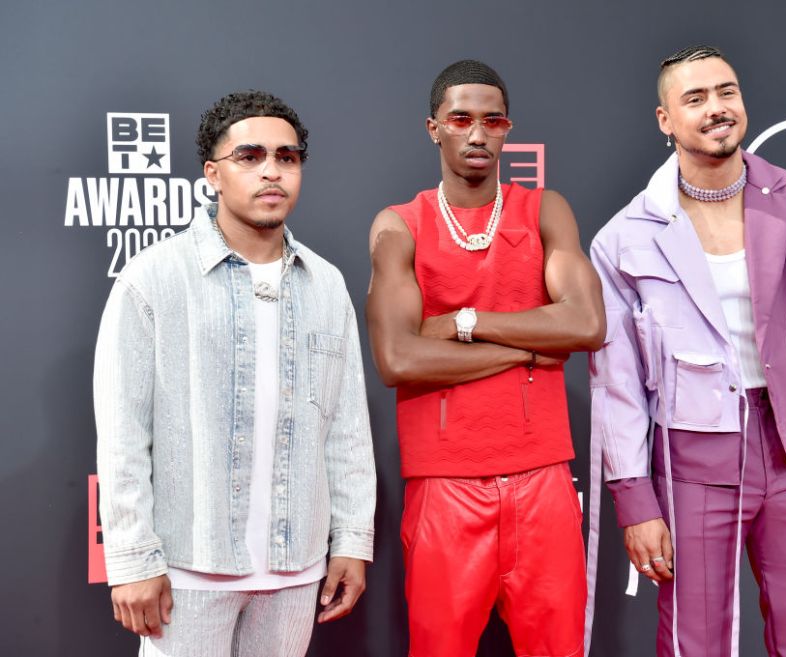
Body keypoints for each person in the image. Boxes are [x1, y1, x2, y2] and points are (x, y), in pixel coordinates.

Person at [588, 45, 786, 657]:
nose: (716, 109)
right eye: (695, 99)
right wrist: (635, 502)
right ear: (665, 120)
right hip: (690, 465)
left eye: (726, 92)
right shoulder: (624, 239)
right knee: (694, 643)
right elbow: (616, 384)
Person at [94, 90, 376, 657]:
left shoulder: (326, 284)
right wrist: (130, 561)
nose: (271, 171)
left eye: (287, 157)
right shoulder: (154, 279)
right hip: (188, 569)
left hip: (294, 571)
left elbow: (346, 430)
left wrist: (350, 541)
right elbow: (124, 434)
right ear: (213, 174)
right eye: (250, 157)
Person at [366, 59, 605, 657]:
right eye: (461, 119)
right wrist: (528, 345)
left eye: (492, 120)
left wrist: (465, 324)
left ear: (507, 129)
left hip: (543, 477)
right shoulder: (400, 226)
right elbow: (399, 358)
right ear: (434, 128)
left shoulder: (545, 209)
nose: (477, 133)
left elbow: (587, 323)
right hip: (445, 484)